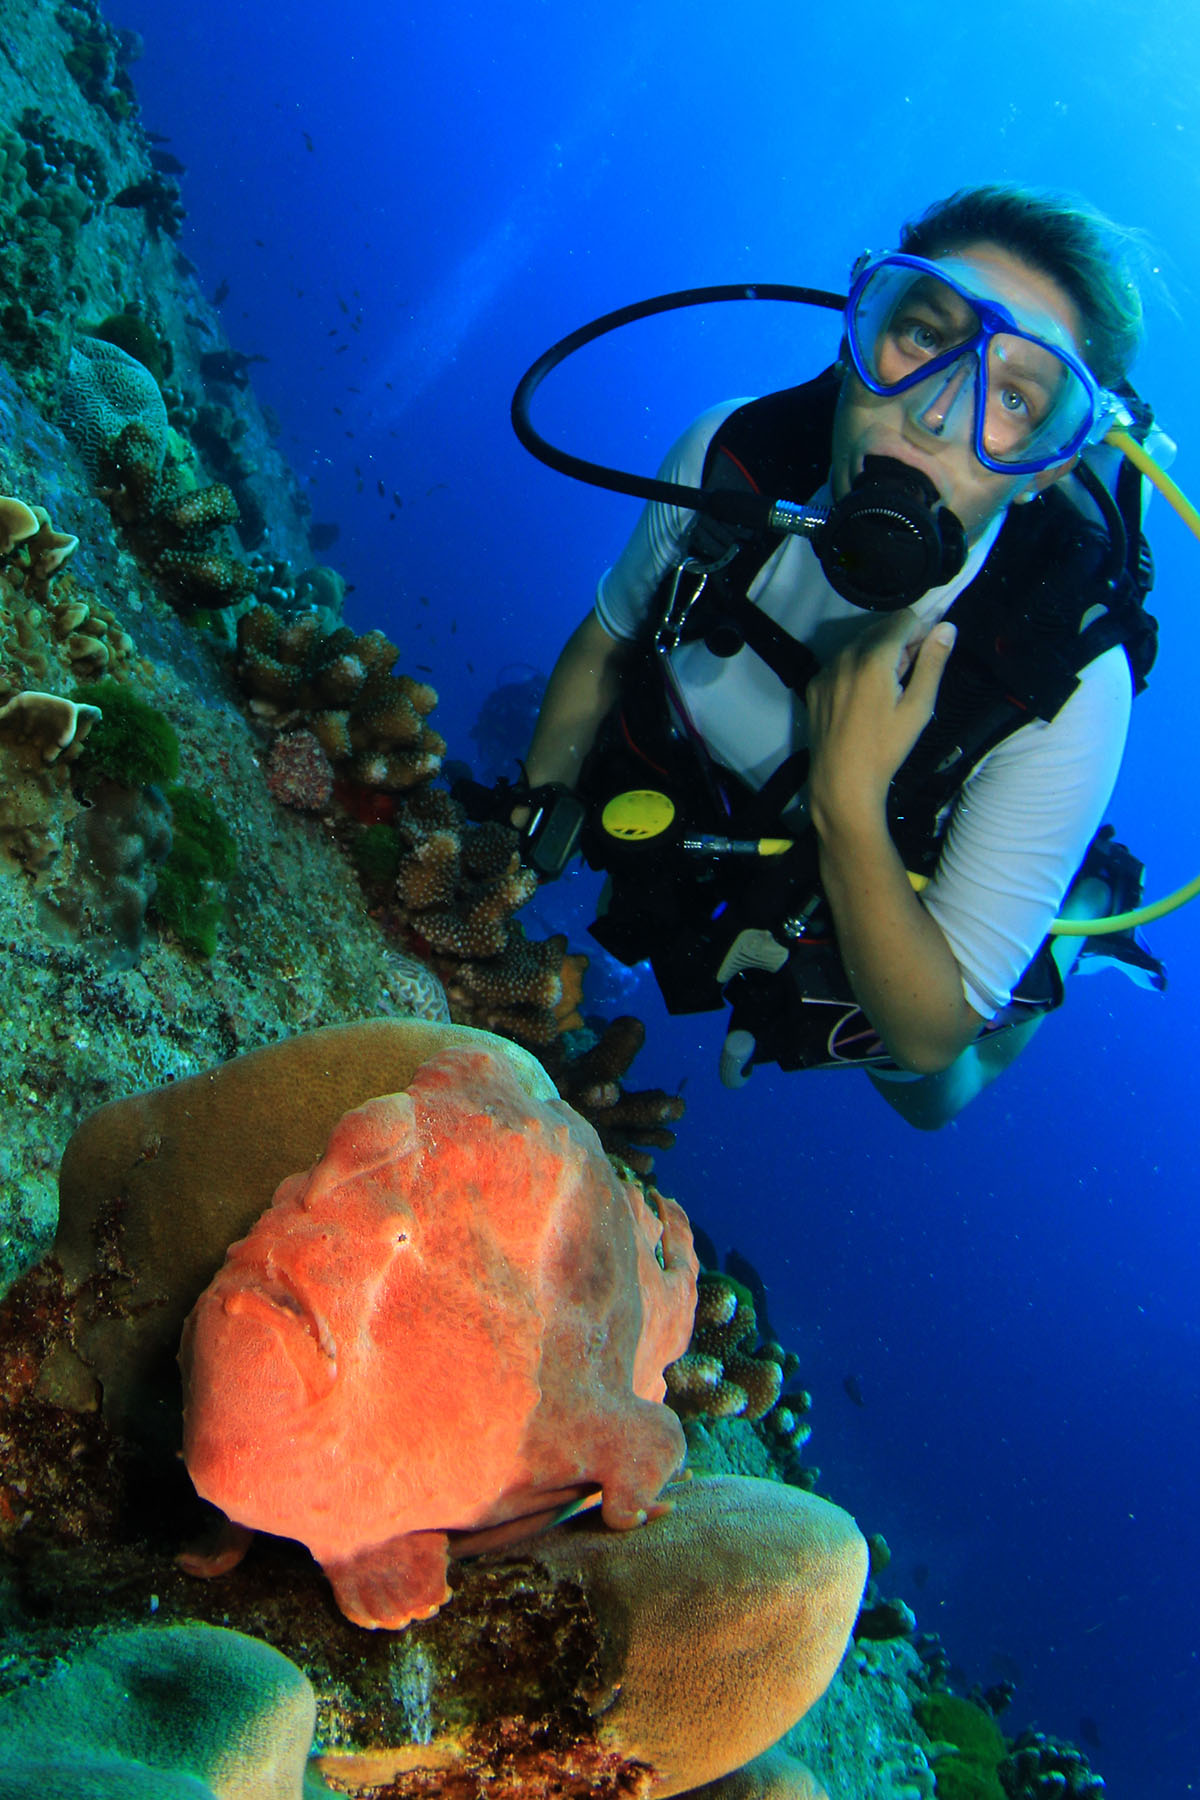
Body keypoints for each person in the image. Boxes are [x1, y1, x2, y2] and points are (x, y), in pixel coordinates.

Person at [515, 185, 1161, 1127]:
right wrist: (520, 845)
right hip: (722, 820)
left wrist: (851, 804)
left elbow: (932, 1034)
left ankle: (1078, 918)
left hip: (894, 885)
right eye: (925, 336)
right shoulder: (733, 460)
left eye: (1014, 396)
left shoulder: (1068, 685)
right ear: (859, 330)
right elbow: (604, 648)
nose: (935, 416)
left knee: (930, 1096)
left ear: (1050, 468)